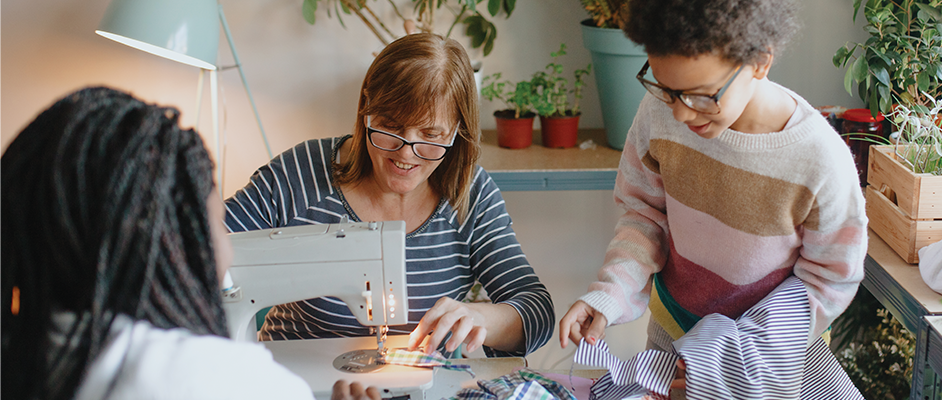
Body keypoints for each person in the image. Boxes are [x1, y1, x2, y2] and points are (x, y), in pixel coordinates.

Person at [558, 0, 867, 398]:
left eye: (702, 95)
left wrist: (723, 368)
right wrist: (609, 296)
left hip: (762, 364)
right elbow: (643, 218)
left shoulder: (820, 161)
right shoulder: (658, 116)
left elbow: (829, 280)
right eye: (666, 89)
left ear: (760, 61)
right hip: (672, 338)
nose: (682, 115)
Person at [0, 87, 380, 400]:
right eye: (215, 223)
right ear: (171, 243)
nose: (228, 245)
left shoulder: (20, 357)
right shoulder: (236, 383)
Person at [224, 33, 554, 358]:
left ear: (457, 131)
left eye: (430, 134)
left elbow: (537, 312)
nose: (406, 153)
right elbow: (201, 246)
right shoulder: (301, 174)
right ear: (366, 109)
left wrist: (480, 317)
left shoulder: (470, 195)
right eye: (391, 127)